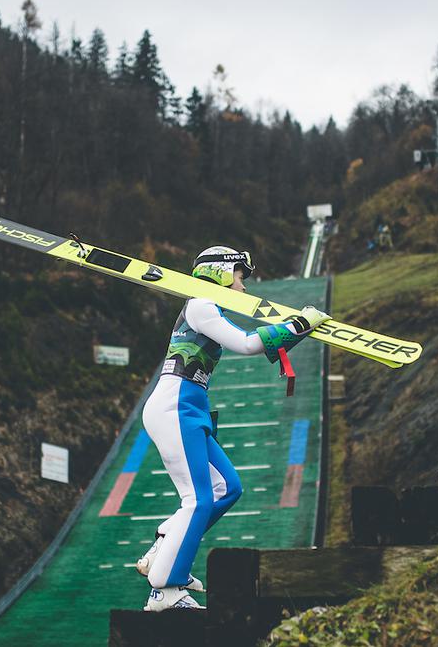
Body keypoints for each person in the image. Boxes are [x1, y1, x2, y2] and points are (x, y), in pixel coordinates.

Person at [136, 246, 330, 611]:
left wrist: (298, 331)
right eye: (240, 277)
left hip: (189, 409)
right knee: (198, 499)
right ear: (222, 273)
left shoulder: (208, 308)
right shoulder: (200, 305)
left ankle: (167, 542)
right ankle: (165, 590)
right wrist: (300, 323)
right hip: (174, 408)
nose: (243, 288)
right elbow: (245, 344)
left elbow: (255, 342)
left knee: (227, 488)